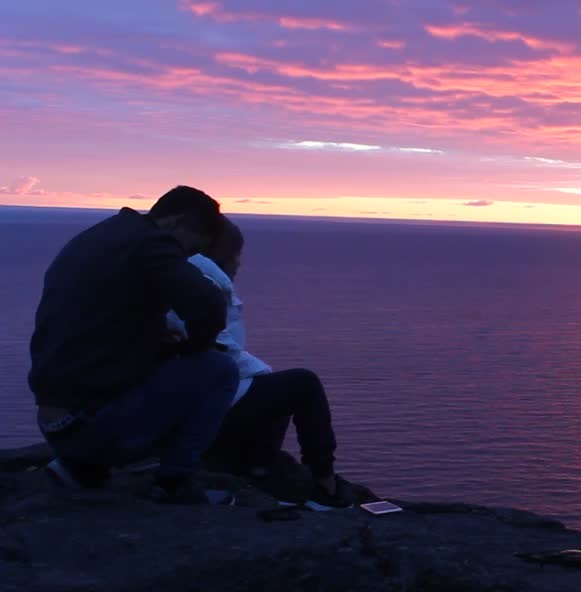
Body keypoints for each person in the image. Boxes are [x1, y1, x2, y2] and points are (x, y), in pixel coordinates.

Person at [28, 186, 239, 505]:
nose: (183, 259)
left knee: (170, 358)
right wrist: (194, 348)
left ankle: (82, 468)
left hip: (56, 422)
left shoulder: (101, 235)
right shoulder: (152, 243)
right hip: (87, 426)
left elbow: (98, 319)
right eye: (189, 249)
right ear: (175, 222)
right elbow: (208, 305)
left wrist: (155, 335)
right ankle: (175, 483)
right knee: (218, 370)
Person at [170, 217, 361, 510]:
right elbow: (218, 348)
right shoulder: (206, 284)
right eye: (236, 256)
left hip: (184, 399)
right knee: (302, 385)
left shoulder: (175, 275)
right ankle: (325, 484)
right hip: (205, 400)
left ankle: (257, 468)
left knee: (272, 385)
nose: (239, 265)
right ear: (222, 255)